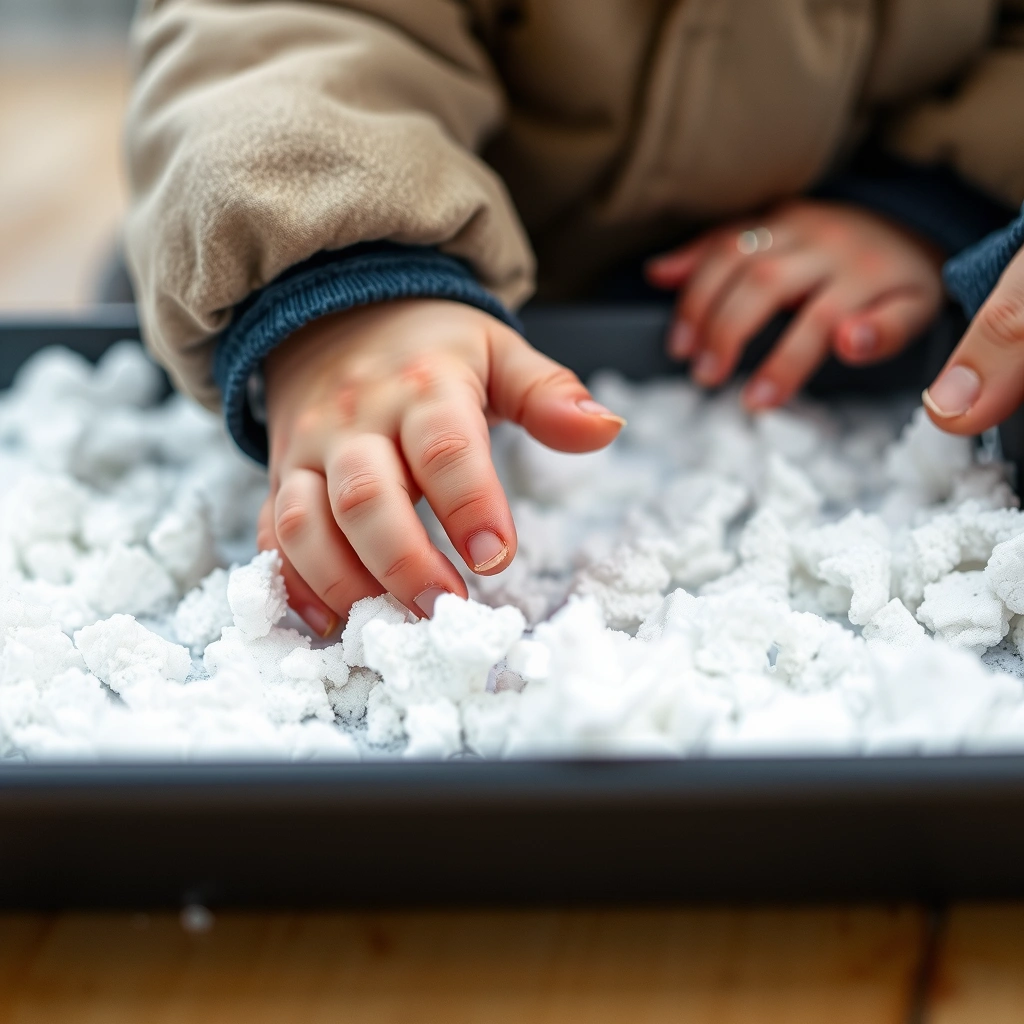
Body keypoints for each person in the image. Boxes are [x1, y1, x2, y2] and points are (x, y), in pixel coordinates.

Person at [124, 0, 1024, 635]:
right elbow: (282, 28)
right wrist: (336, 283)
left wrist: (927, 196)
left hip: (851, 262)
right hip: (398, 243)